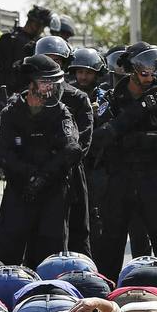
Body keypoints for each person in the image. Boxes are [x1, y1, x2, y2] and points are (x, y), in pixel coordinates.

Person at [94, 44, 157, 279]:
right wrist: (137, 111)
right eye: (145, 73)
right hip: (119, 180)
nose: (150, 78)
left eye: (153, 73)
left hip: (153, 179)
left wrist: (136, 139)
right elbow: (102, 135)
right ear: (132, 70)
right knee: (110, 244)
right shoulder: (112, 98)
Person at [0, 54, 81, 267]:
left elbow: (72, 149)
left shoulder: (61, 113)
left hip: (52, 192)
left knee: (50, 257)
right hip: (20, 190)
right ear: (30, 85)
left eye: (54, 84)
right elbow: (2, 153)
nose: (51, 89)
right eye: (45, 83)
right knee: (7, 251)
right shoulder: (11, 113)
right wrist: (29, 174)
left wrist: (44, 176)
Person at [35, 34, 96, 257]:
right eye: (46, 60)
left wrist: (54, 166)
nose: (51, 66)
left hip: (69, 178)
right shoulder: (25, 98)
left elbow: (81, 144)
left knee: (77, 239)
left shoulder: (78, 98)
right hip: (34, 177)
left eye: (56, 61)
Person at [0, 5, 52, 95]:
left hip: (28, 91)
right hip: (9, 90)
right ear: (35, 24)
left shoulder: (38, 42)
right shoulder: (9, 38)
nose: (42, 30)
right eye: (42, 27)